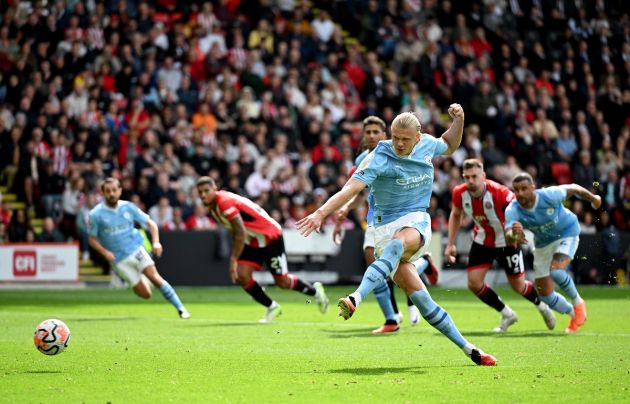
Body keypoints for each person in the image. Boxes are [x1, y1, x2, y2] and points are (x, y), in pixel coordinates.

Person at [298, 108, 497, 366]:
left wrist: (459, 120)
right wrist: (321, 213)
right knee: (422, 299)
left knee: (399, 242)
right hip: (382, 227)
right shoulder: (377, 156)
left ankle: (355, 298)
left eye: (405, 139)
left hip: (415, 218)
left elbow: (449, 143)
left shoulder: (427, 145)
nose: (399, 144)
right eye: (395, 138)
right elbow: (351, 188)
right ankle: (471, 350)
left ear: (418, 137)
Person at [333, 116, 439, 334]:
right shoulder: (365, 158)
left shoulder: (397, 152)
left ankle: (392, 314)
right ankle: (391, 316)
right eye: (367, 132)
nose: (371, 136)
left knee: (383, 264)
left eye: (375, 132)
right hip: (375, 218)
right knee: (376, 261)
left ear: (385, 135)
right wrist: (346, 209)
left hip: (399, 217)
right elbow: (360, 191)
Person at [196, 176, 329, 323]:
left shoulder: (223, 203)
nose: (203, 195)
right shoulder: (214, 209)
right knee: (242, 275)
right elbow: (235, 231)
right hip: (252, 239)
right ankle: (272, 307)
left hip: (270, 236)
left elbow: (239, 231)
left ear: (215, 189)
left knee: (282, 282)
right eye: (200, 192)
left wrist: (233, 259)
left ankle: (316, 292)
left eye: (206, 191)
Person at [444, 159, 555, 332]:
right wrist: (450, 243)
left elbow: (517, 213)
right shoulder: (459, 193)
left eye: (474, 176)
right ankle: (507, 314)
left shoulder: (501, 193)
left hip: (507, 242)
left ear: (483, 176)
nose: (470, 181)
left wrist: (518, 233)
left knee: (518, 286)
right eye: (467, 177)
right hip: (482, 241)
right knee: (474, 283)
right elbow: (456, 214)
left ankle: (542, 306)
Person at [505, 173, 601, 333]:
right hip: (543, 244)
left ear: (533, 188)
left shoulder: (549, 195)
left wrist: (593, 198)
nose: (520, 193)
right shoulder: (513, 209)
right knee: (545, 295)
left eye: (524, 189)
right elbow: (509, 238)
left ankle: (578, 303)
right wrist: (514, 234)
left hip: (567, 232)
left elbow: (573, 188)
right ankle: (573, 314)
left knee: (556, 272)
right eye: (516, 190)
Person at [88, 178, 190, 319]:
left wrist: (156, 242)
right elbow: (92, 239)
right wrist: (105, 253)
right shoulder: (96, 214)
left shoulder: (128, 207)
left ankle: (181, 309)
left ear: (120, 191)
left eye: (114, 190)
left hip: (136, 249)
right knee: (146, 294)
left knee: (155, 278)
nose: (111, 193)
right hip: (118, 260)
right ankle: (141, 279)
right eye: (108, 191)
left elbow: (151, 224)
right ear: (103, 193)